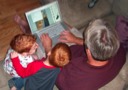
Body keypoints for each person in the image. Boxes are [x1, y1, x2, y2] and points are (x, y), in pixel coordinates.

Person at [55, 19, 126, 90]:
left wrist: (47, 49)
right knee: (62, 25)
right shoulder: (120, 52)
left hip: (62, 59)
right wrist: (76, 39)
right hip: (79, 53)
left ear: (88, 51)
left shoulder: (72, 81)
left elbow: (54, 75)